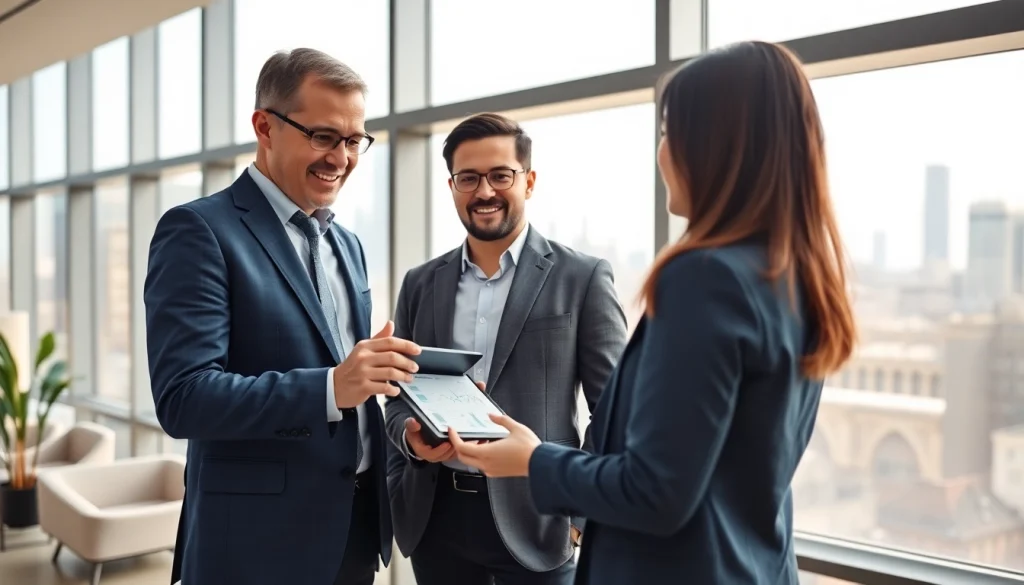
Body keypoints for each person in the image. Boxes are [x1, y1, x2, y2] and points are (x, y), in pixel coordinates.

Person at [447, 41, 858, 584]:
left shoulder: (707, 279)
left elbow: (656, 492)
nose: (661, 153)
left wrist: (533, 458)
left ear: (712, 146)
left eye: (668, 132)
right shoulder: (797, 275)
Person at [145, 48, 420, 585]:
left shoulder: (348, 243)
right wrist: (330, 387)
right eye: (322, 136)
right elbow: (184, 398)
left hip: (354, 532)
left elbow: (350, 390)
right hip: (255, 544)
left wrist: (410, 418)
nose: (340, 158)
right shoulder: (198, 231)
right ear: (264, 126)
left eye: (353, 140)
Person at [384, 113, 628, 585]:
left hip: (538, 521)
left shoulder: (583, 278)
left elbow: (617, 410)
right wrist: (408, 441)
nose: (485, 191)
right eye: (468, 178)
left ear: (529, 181)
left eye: (501, 175)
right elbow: (398, 396)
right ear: (452, 185)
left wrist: (577, 516)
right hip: (435, 521)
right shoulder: (420, 283)